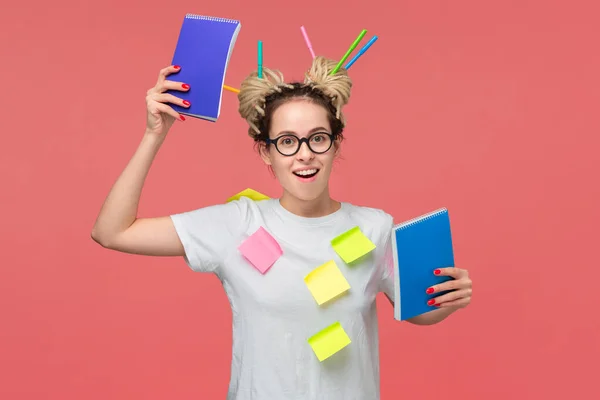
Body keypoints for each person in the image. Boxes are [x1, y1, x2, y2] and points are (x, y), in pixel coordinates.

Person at [91, 55, 473, 399]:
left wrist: (447, 298)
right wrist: (154, 134)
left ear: (336, 145)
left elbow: (417, 311)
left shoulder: (375, 227)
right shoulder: (236, 224)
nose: (304, 154)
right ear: (266, 152)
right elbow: (112, 232)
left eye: (317, 139)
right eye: (287, 141)